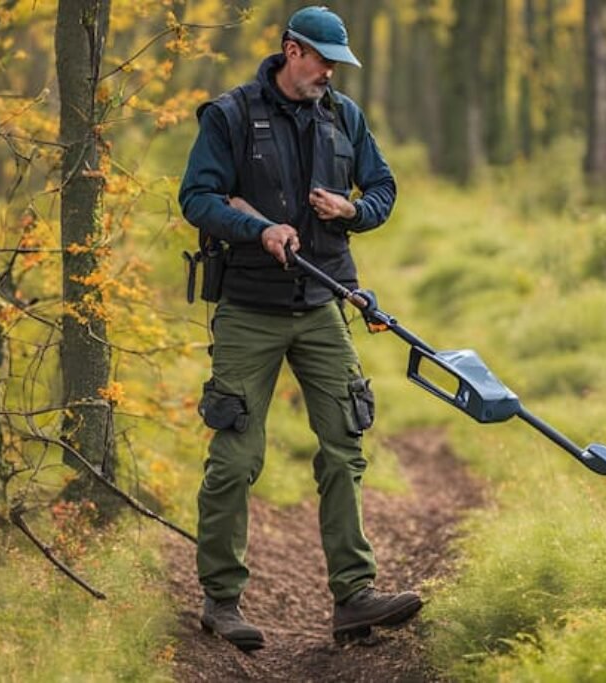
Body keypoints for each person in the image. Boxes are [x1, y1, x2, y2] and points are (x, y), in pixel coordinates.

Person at [178, 5, 421, 651]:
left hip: (323, 303)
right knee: (235, 457)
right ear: (291, 50)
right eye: (322, 60)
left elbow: (384, 186)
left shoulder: (344, 116)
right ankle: (221, 599)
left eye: (336, 63)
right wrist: (259, 229)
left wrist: (355, 207)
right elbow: (196, 197)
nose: (330, 73)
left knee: (344, 446)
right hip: (249, 309)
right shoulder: (228, 115)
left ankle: (354, 596)